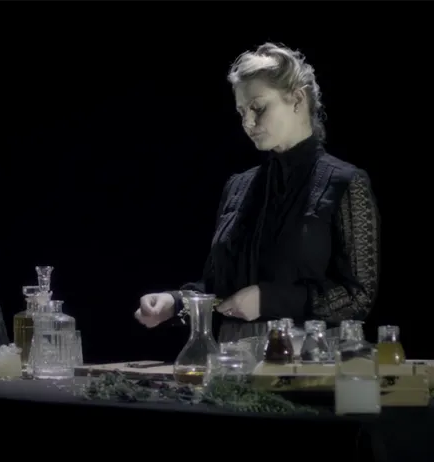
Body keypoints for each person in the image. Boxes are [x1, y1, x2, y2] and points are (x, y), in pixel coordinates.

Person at [134, 42, 381, 343]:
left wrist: (268, 299)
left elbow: (357, 298)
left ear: (297, 100)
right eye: (241, 112)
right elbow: (218, 288)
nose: (248, 123)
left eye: (258, 108)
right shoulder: (238, 187)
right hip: (234, 366)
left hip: (311, 368)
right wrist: (174, 302)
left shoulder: (344, 181)